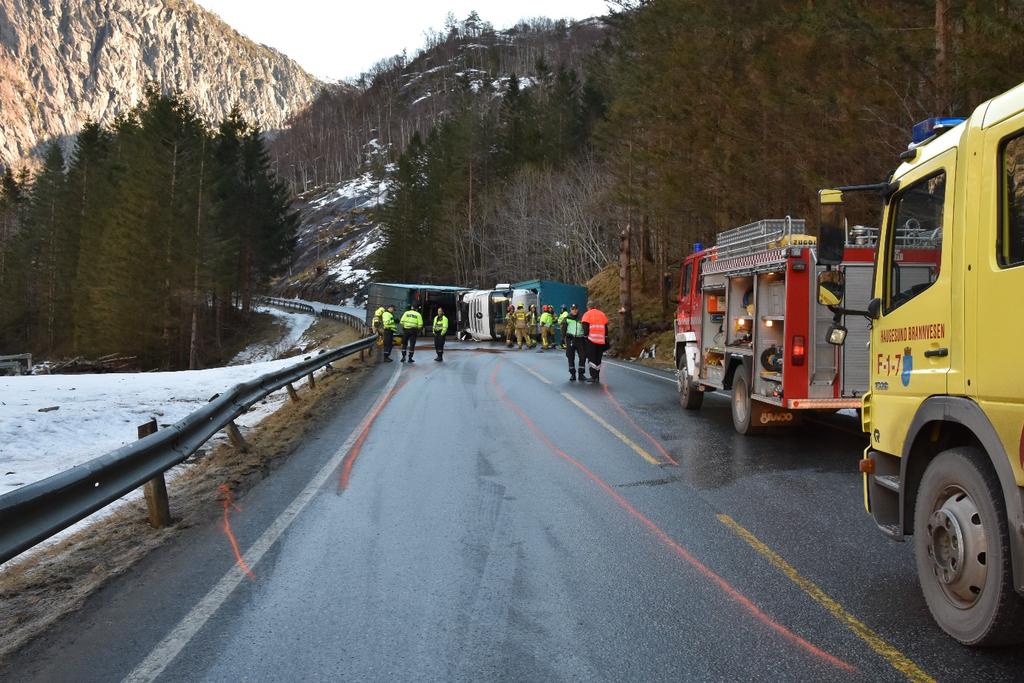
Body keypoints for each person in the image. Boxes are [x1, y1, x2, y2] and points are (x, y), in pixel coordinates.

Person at [581, 300, 609, 383]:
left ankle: (593, 376)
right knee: (598, 358)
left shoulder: (587, 314)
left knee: (592, 358)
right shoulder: (602, 314)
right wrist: (605, 337)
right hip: (600, 340)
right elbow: (606, 327)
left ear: (588, 307)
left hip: (591, 339)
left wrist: (585, 336)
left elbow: (585, 326)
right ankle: (597, 376)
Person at [563, 303, 587, 381]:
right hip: (571, 339)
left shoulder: (582, 318)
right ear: (570, 309)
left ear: (578, 309)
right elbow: (563, 330)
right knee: (570, 356)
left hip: (580, 339)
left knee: (583, 356)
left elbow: (585, 328)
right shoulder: (567, 318)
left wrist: (586, 336)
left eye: (576, 309)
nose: (574, 310)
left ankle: (581, 374)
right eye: (573, 309)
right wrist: (564, 339)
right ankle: (572, 374)